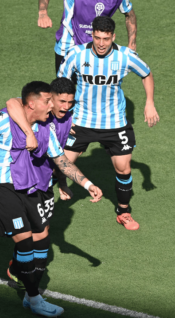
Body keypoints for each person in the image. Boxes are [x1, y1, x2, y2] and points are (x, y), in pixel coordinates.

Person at [0, 81, 102, 317]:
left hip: (27, 187)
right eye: (47, 101)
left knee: (41, 239)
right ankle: (34, 298)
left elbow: (62, 161)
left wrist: (88, 184)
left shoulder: (44, 129)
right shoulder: (2, 120)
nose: (52, 106)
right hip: (1, 189)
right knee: (25, 242)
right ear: (31, 104)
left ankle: (30, 291)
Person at [57, 16, 159, 230]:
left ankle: (123, 212)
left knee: (123, 168)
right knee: (61, 163)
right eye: (97, 38)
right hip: (81, 120)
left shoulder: (125, 56)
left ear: (114, 36)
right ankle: (62, 187)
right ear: (91, 35)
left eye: (106, 38)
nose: (101, 43)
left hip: (115, 123)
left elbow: (147, 74)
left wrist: (149, 103)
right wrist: (62, 118)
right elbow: (60, 86)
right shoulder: (77, 54)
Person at [6, 77, 76, 201]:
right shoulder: (36, 109)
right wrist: (30, 134)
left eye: (70, 102)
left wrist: (63, 183)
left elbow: (59, 156)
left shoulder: (67, 119)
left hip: (45, 180)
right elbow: (11, 102)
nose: (66, 107)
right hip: (24, 180)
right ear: (50, 99)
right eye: (62, 101)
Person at [37, 0, 137, 73]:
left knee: (96, 89)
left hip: (98, 46)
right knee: (63, 91)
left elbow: (130, 14)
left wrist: (131, 44)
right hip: (67, 44)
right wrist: (43, 12)